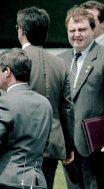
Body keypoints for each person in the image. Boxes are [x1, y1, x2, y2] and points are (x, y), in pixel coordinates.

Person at [59, 7, 104, 189]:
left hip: (98, 145)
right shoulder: (61, 60)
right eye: (72, 30)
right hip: (68, 147)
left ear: (93, 30)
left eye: (82, 29)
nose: (76, 34)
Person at [16, 7, 74, 189]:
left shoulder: (11, 59)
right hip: (53, 143)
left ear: (21, 30)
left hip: (20, 145)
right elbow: (67, 108)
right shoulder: (60, 64)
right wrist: (69, 145)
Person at [0, 48, 52, 188]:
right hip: (36, 180)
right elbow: (44, 144)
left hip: (7, 180)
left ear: (7, 72)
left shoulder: (4, 102)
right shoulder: (45, 103)